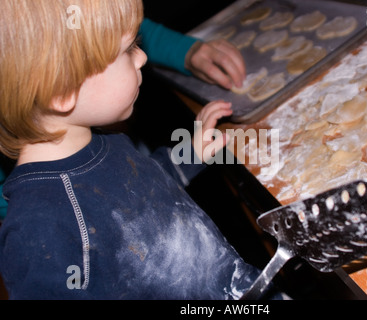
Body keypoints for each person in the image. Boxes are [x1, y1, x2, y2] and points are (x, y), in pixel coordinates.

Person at [0, 0, 271, 300]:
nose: (142, 57)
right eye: (127, 50)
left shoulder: (104, 144)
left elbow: (143, 193)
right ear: (63, 89)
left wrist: (190, 153)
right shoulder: (40, 232)